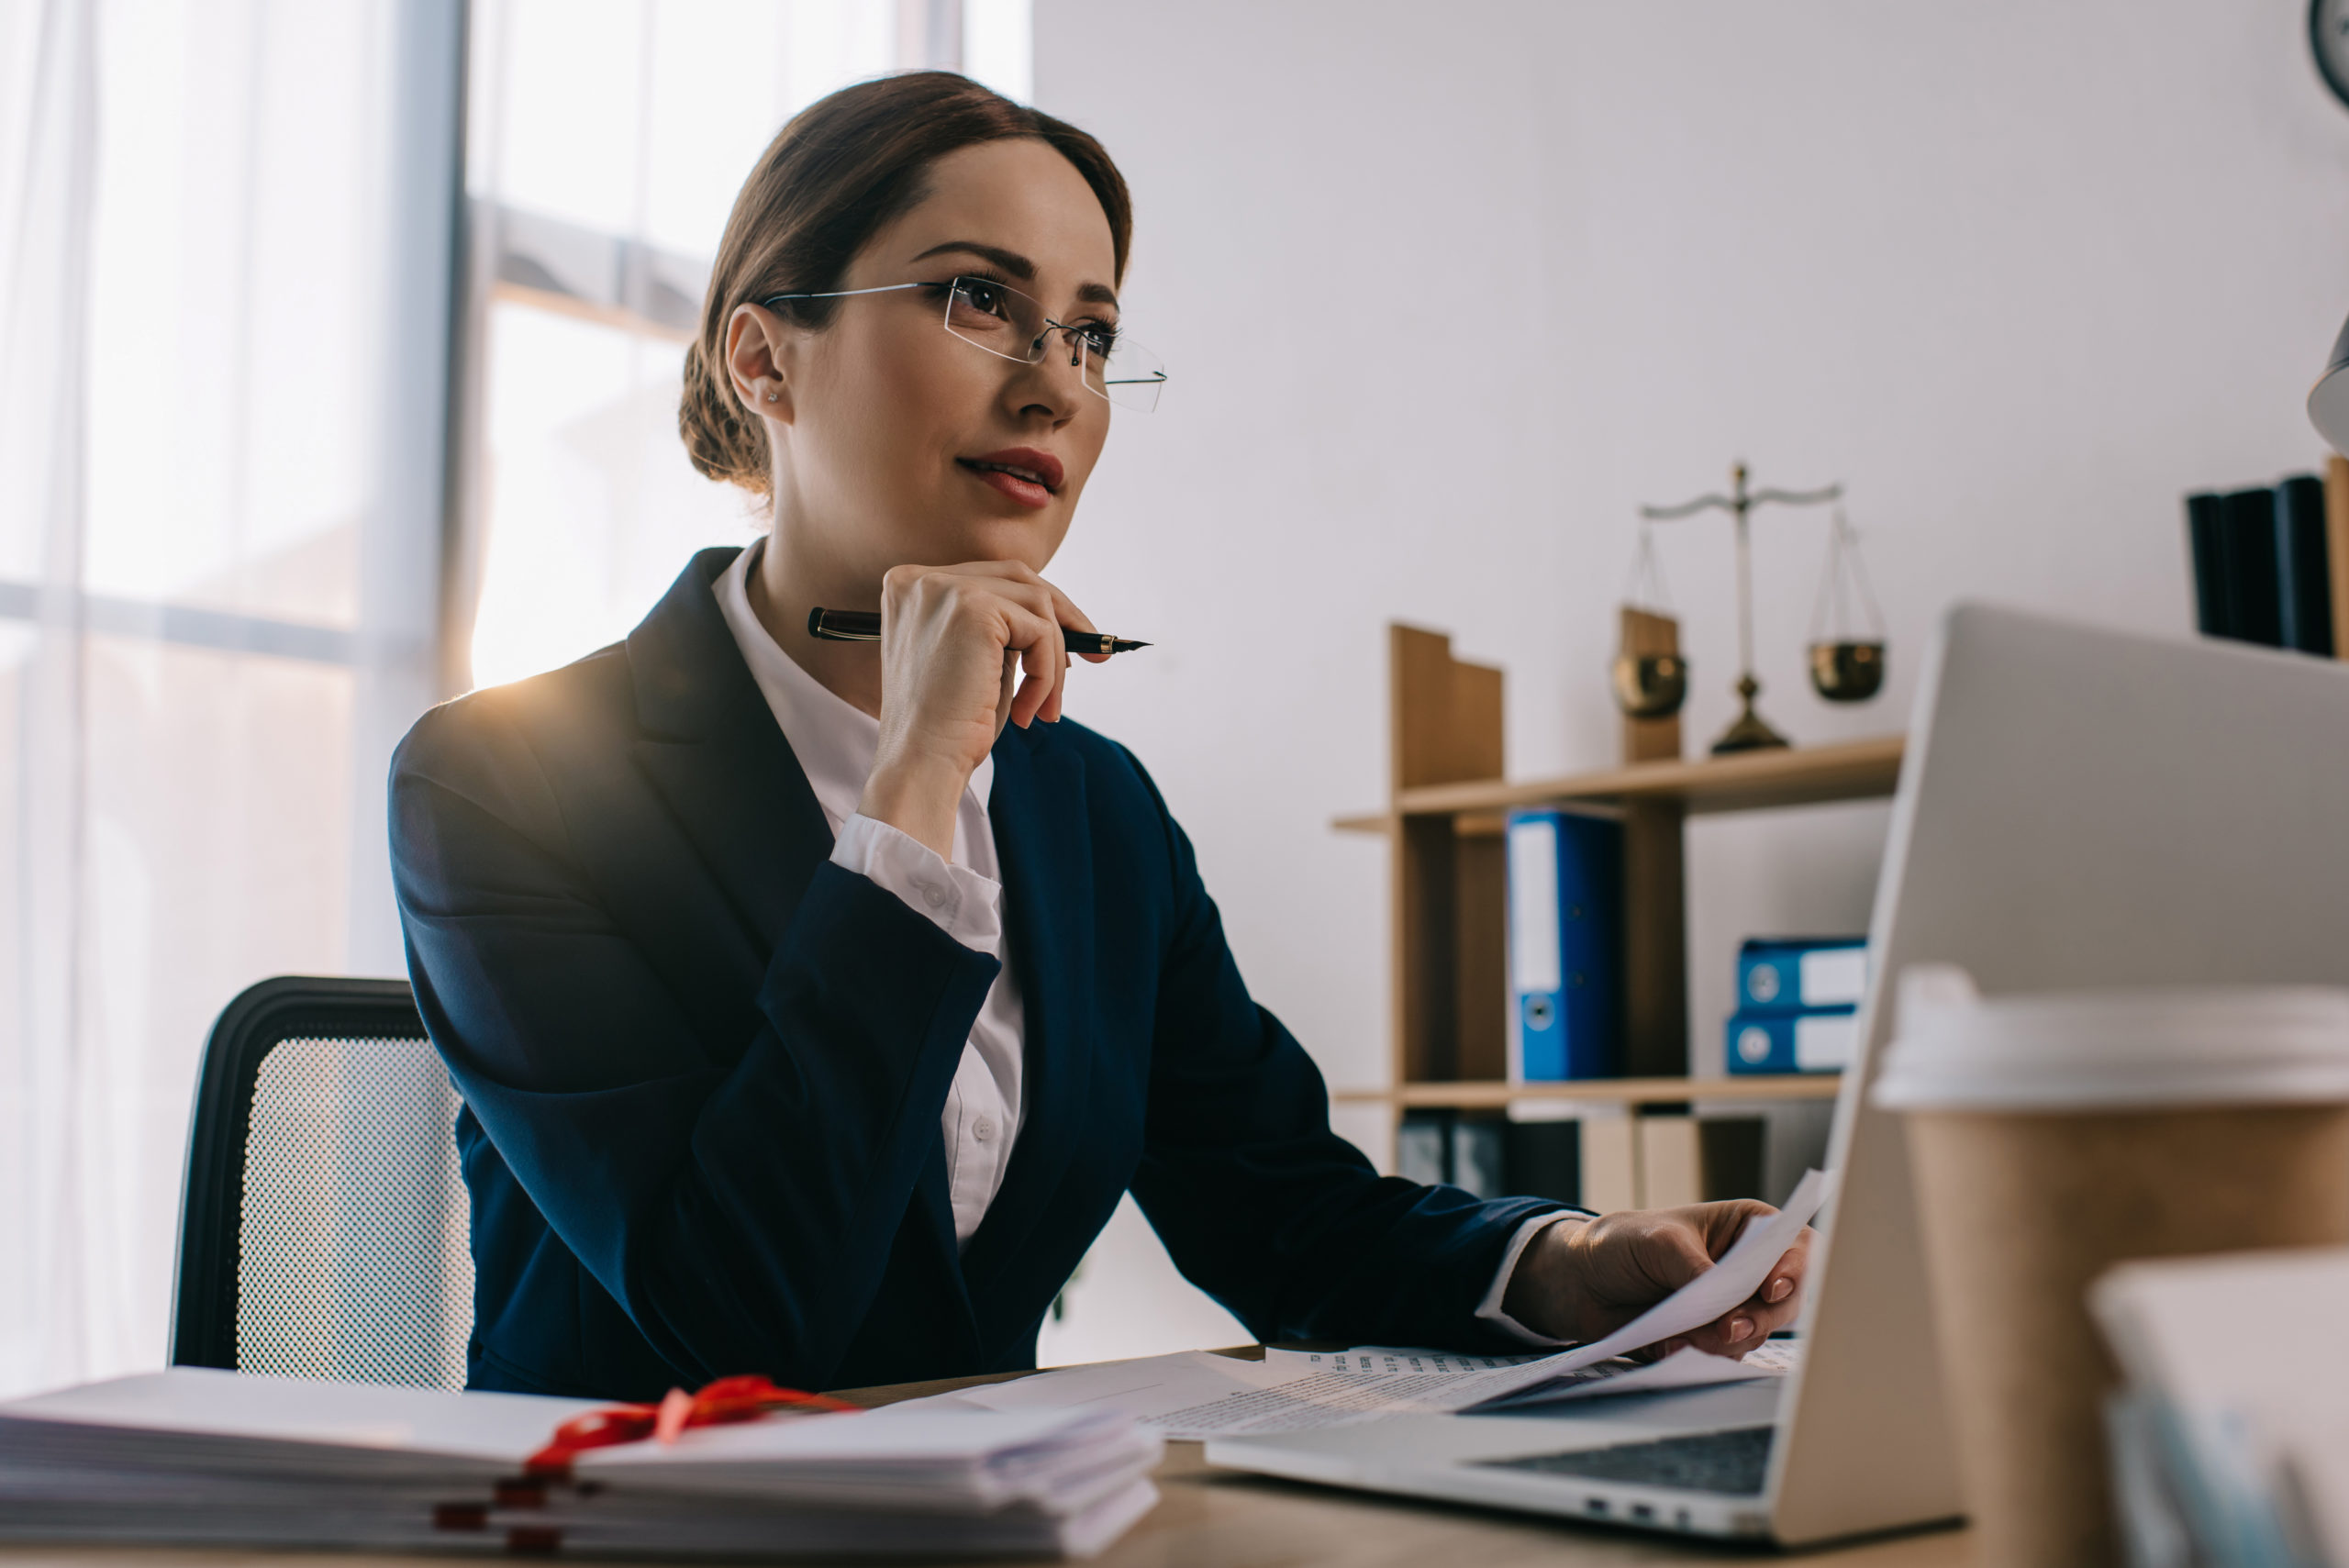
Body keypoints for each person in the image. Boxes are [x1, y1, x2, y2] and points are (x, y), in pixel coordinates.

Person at [389, 71, 1809, 1401]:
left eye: (1093, 334)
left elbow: (1283, 1214)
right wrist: (915, 790)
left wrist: (1566, 1266)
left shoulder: (1093, 808)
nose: (1056, 385)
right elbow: (741, 1311)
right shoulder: (503, 782)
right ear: (763, 356)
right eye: (975, 297)